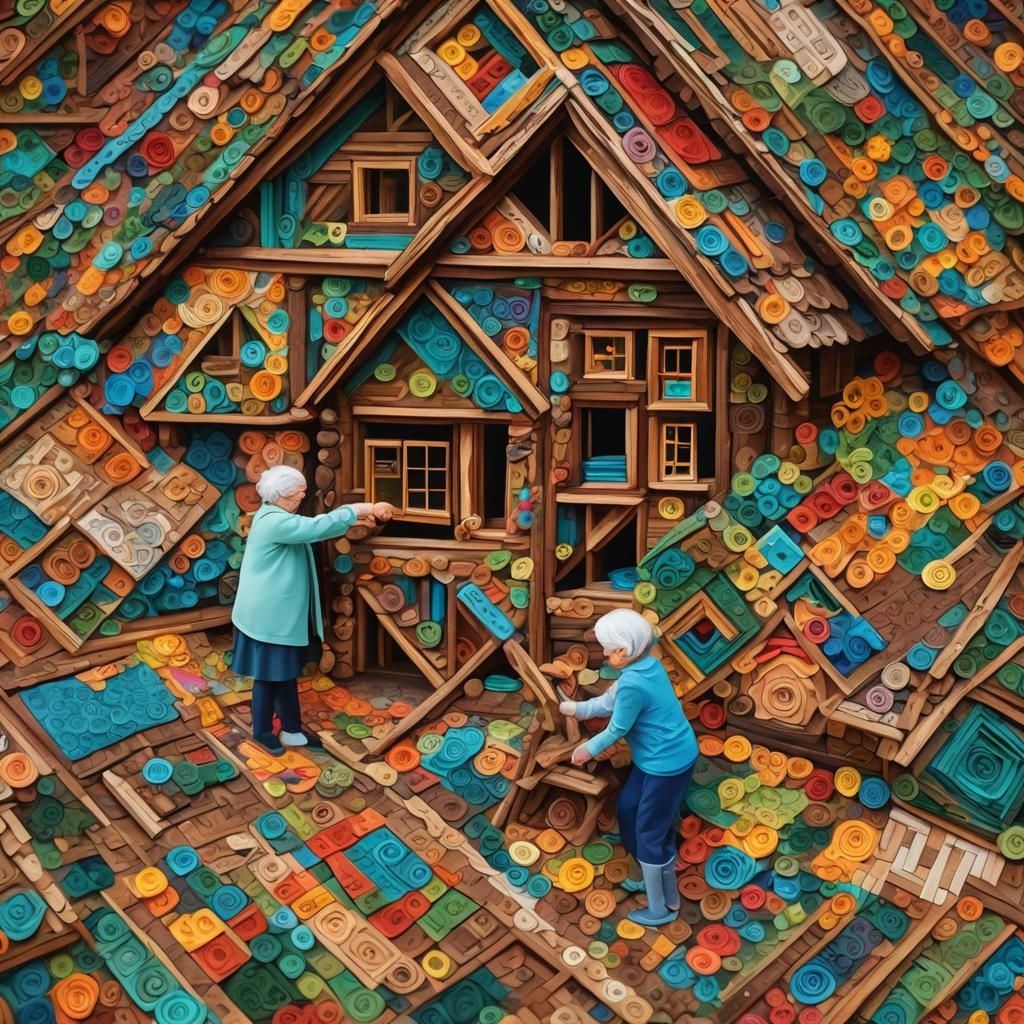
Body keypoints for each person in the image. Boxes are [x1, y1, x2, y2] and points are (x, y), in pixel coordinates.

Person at [231, 465, 393, 755]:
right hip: (267, 618)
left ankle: (292, 730)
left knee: (284, 674)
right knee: (269, 676)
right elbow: (317, 527)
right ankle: (263, 732)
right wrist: (362, 508)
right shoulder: (273, 522)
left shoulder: (278, 516)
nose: (301, 499)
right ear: (281, 495)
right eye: (297, 494)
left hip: (277, 616)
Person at [566, 608, 698, 926]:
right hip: (653, 759)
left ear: (624, 651)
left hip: (667, 763)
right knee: (627, 807)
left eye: (608, 649)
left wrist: (586, 749)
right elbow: (607, 702)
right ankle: (651, 865)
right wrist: (575, 708)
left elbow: (616, 729)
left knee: (650, 831)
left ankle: (662, 907)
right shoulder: (645, 667)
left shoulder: (634, 684)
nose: (605, 654)